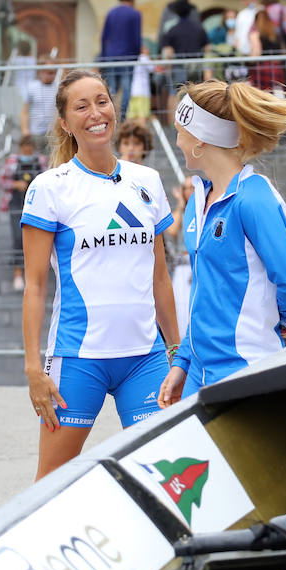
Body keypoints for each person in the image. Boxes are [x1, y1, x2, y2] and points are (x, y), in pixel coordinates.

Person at [20, 69, 178, 480]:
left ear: (114, 107)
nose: (95, 113)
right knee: (51, 484)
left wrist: (176, 349)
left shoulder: (148, 181)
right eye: (81, 106)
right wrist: (34, 369)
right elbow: (35, 287)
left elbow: (160, 278)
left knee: (164, 476)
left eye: (102, 101)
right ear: (64, 122)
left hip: (145, 359)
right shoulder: (49, 188)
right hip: (77, 359)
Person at [158, 80, 286, 403]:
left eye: (181, 132)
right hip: (199, 375)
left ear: (200, 140)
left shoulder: (254, 199)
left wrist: (283, 319)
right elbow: (203, 296)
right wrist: (183, 362)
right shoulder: (197, 202)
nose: (176, 141)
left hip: (246, 371)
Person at [0, 135, 48, 292]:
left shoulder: (40, 161)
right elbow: (2, 180)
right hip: (16, 203)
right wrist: (15, 184)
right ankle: (18, 273)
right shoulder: (12, 161)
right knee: (18, 238)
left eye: (30, 145)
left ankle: (33, 273)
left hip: (35, 204)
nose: (27, 148)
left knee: (35, 240)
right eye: (25, 145)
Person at [99, 0, 142, 116]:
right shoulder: (135, 14)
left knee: (111, 89)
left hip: (110, 57)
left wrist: (103, 56)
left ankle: (109, 114)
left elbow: (103, 37)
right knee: (126, 89)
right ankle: (122, 117)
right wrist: (136, 55)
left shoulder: (111, 13)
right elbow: (136, 38)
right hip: (128, 58)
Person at [166, 176, 194, 339]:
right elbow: (172, 230)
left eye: (193, 188)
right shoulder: (181, 212)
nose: (190, 191)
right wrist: (181, 205)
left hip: (199, 265)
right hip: (183, 266)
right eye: (186, 188)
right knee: (181, 307)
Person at [20, 61, 59, 146]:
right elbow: (24, 111)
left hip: (53, 134)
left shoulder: (59, 87)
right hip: (35, 133)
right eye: (50, 73)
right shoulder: (31, 87)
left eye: (54, 72)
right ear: (41, 72)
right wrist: (25, 130)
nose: (53, 75)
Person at [249, 9, 286, 92]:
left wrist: (247, 60)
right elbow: (283, 52)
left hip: (261, 70)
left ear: (255, 21)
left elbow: (256, 53)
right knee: (278, 97)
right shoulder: (276, 34)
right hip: (277, 69)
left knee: (262, 97)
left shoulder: (255, 34)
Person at [126, 46, 153, 122]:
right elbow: (153, 68)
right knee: (142, 116)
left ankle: (127, 133)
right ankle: (140, 133)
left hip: (134, 92)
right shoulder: (144, 58)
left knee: (131, 117)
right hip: (143, 93)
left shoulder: (137, 59)